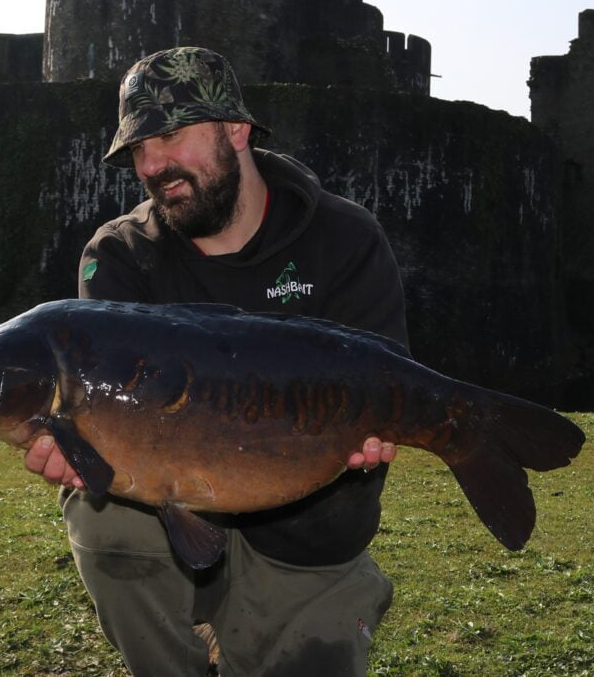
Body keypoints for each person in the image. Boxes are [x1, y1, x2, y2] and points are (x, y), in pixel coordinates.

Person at [26, 46, 408, 677]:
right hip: (170, 516)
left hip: (309, 523)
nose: (153, 165)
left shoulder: (345, 239)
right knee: (105, 517)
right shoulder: (120, 257)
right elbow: (102, 409)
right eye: (138, 151)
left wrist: (379, 426)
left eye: (170, 137)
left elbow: (386, 377)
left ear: (237, 129)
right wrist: (75, 442)